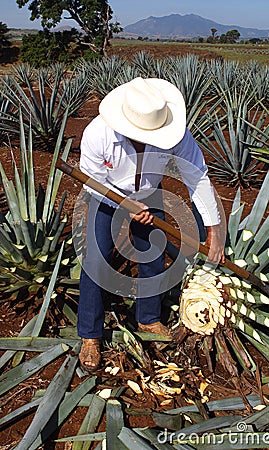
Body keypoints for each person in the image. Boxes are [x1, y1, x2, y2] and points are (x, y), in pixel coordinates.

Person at [77, 77, 225, 371]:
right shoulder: (98, 134)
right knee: (96, 259)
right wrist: (124, 204)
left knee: (153, 253)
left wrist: (215, 230)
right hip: (106, 197)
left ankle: (148, 318)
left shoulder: (177, 135)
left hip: (150, 193)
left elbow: (197, 176)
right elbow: (91, 179)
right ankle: (90, 336)